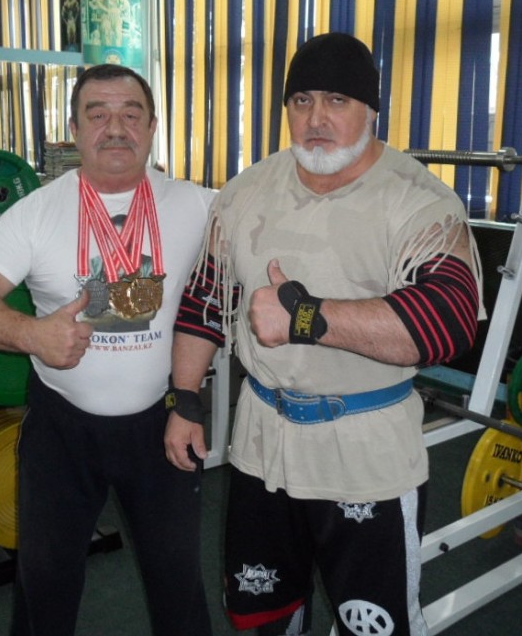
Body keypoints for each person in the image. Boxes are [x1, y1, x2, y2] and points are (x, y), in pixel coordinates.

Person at [164, 33, 484, 636]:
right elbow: (205, 300)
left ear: (371, 110)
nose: (316, 119)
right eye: (302, 100)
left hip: (364, 453)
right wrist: (184, 399)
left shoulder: (418, 201)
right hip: (262, 443)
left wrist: (305, 318)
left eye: (337, 100)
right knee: (263, 617)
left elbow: (447, 322)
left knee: (373, 627)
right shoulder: (245, 192)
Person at [0, 63, 214, 636]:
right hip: (61, 429)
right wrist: (31, 334)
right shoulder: (37, 212)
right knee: (45, 583)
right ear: (74, 129)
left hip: (161, 425)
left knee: (178, 580)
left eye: (131, 114)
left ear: (153, 126)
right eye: (98, 114)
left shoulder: (199, 206)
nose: (115, 128)